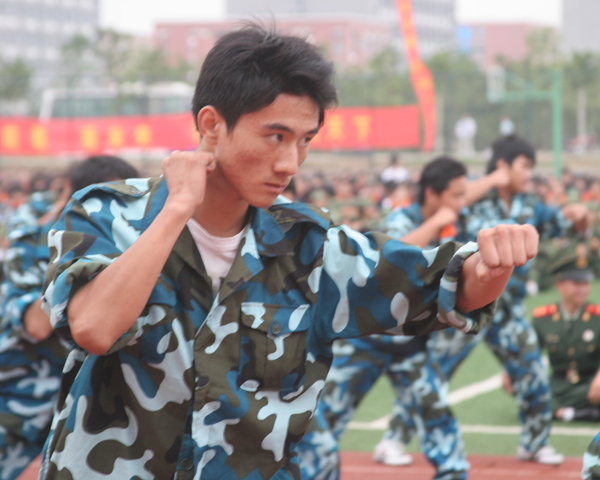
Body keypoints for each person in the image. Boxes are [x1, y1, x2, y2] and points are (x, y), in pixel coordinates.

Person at [41, 25, 539, 480]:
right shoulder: (106, 213)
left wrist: (491, 264)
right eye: (275, 136)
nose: (289, 163)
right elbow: (94, 328)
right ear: (211, 124)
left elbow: (443, 288)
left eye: (305, 140)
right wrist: (176, 212)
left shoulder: (309, 247)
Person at [417, 134, 588, 465]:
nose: (529, 174)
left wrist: (579, 216)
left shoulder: (530, 206)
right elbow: (454, 203)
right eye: (524, 166)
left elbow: (565, 223)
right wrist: (495, 178)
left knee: (532, 369)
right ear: (503, 166)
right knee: (431, 373)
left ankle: (534, 443)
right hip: (464, 307)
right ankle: (396, 438)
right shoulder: (474, 197)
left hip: (507, 311)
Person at [296, 157, 471, 480]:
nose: (462, 203)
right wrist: (436, 223)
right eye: (456, 195)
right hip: (367, 339)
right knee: (321, 424)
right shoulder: (401, 218)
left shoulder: (456, 223)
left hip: (411, 347)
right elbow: (391, 263)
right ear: (432, 194)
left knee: (438, 417)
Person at [0, 155, 138, 480]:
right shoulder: (31, 239)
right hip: (23, 402)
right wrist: (82, 281)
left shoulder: (130, 246)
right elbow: (35, 325)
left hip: (89, 407)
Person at [532, 247, 600, 422]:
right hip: (559, 385)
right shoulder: (543, 319)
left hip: (590, 383)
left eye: (586, 283)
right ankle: (572, 412)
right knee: (524, 384)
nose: (582, 289)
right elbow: (529, 354)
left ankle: (557, 410)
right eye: (576, 283)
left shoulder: (597, 317)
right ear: (560, 284)